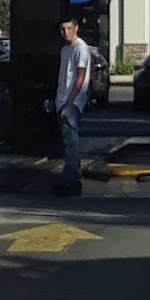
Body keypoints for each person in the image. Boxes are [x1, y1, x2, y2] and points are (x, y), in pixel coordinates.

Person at [51, 18, 90, 196]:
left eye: (69, 28)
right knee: (68, 141)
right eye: (63, 29)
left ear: (76, 28)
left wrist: (70, 102)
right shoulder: (65, 49)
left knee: (70, 142)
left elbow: (80, 76)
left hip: (72, 103)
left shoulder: (80, 48)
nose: (66, 32)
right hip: (62, 101)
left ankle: (69, 180)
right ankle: (75, 175)